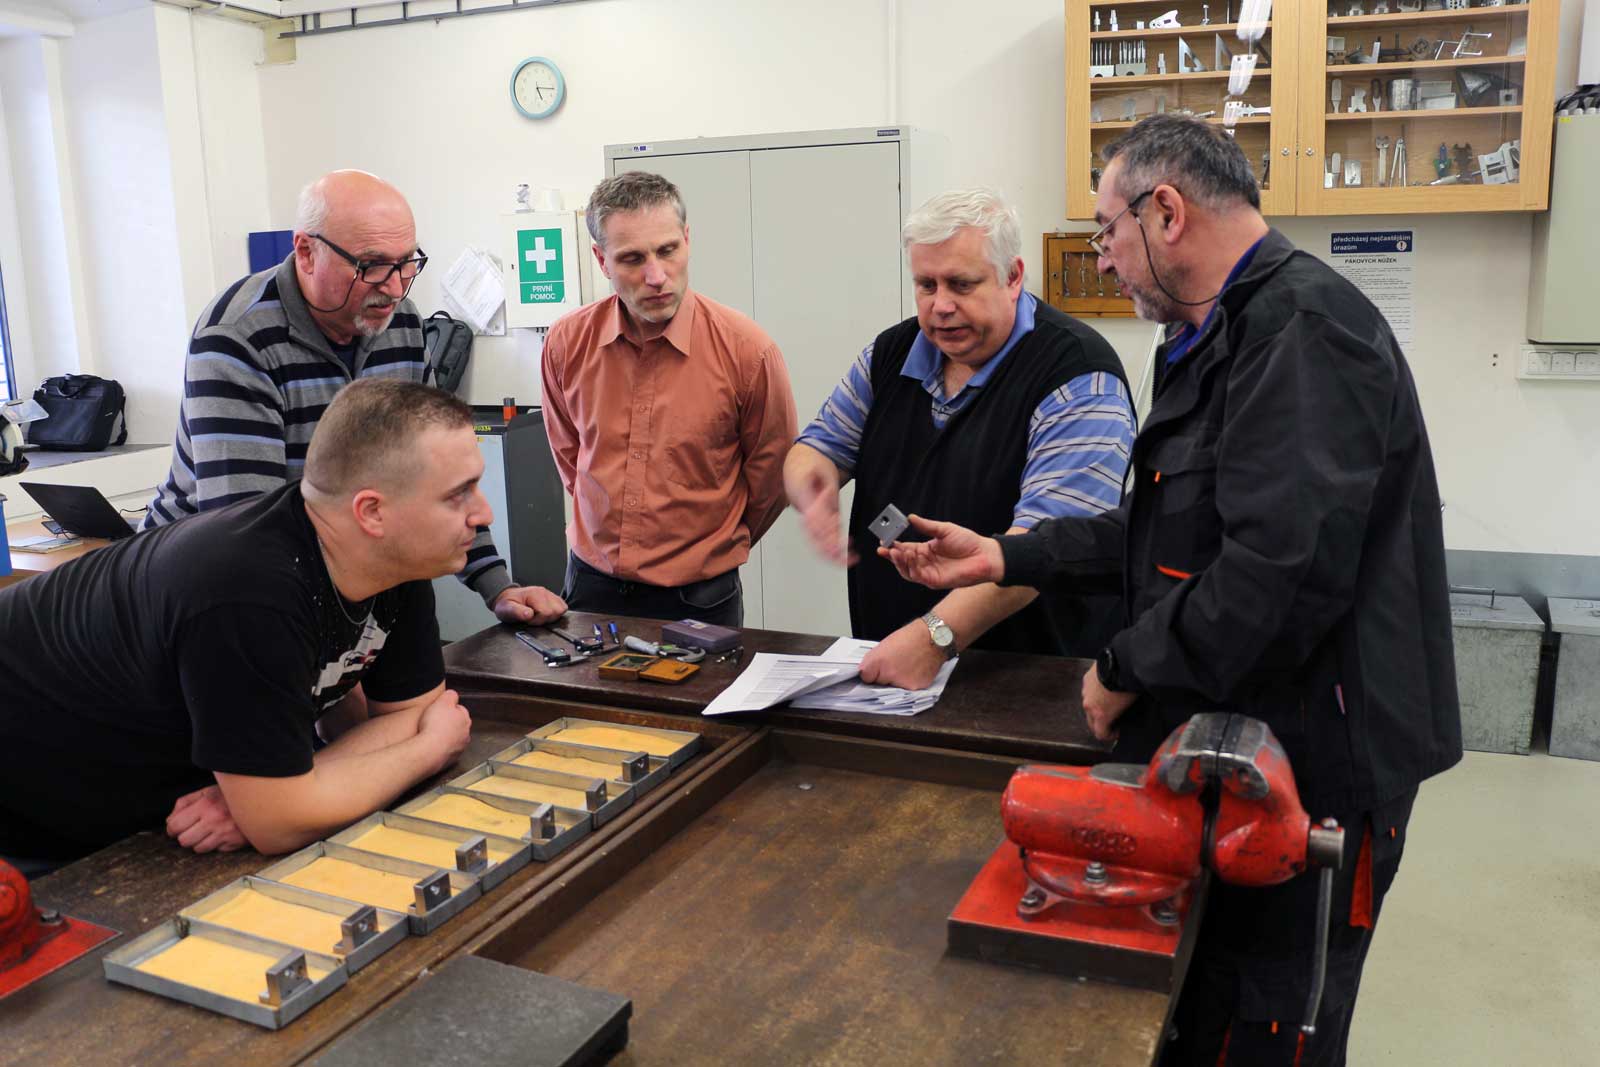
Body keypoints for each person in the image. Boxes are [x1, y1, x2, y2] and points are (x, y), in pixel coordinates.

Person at [880, 116, 1462, 1065]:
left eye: (1107, 231)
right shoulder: (1208, 333)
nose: (1103, 259)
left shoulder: (1305, 333)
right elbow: (1163, 529)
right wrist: (1006, 555)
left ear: (1166, 212)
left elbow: (1277, 573)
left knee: (1265, 1027)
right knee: (1200, 1002)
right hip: (1243, 736)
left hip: (1320, 762)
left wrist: (1123, 664)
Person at [0, 379, 492, 872]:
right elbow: (284, 822)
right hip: (27, 812)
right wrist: (430, 750)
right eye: (458, 495)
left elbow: (408, 716)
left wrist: (283, 794)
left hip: (128, 800)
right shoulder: (248, 591)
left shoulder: (392, 562)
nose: (483, 513)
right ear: (372, 512)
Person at [142, 168, 563, 626]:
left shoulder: (401, 324)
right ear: (306, 252)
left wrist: (498, 587)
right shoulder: (237, 338)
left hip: (342, 581)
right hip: (206, 593)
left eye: (406, 263)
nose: (394, 287)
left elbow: (440, 475)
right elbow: (247, 531)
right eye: (371, 265)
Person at [783, 189, 1135, 690]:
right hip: (894, 669)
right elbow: (817, 447)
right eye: (926, 285)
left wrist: (933, 638)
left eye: (962, 284)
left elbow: (1044, 548)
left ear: (1013, 277)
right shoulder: (890, 354)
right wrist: (812, 488)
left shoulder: (1080, 376)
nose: (940, 306)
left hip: (1033, 683)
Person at [540, 171, 797, 628]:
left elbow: (772, 479)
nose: (656, 276)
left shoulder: (748, 352)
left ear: (687, 240)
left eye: (667, 250)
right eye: (632, 258)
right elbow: (570, 457)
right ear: (601, 260)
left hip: (699, 599)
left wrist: (708, 547)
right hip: (591, 586)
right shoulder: (566, 343)